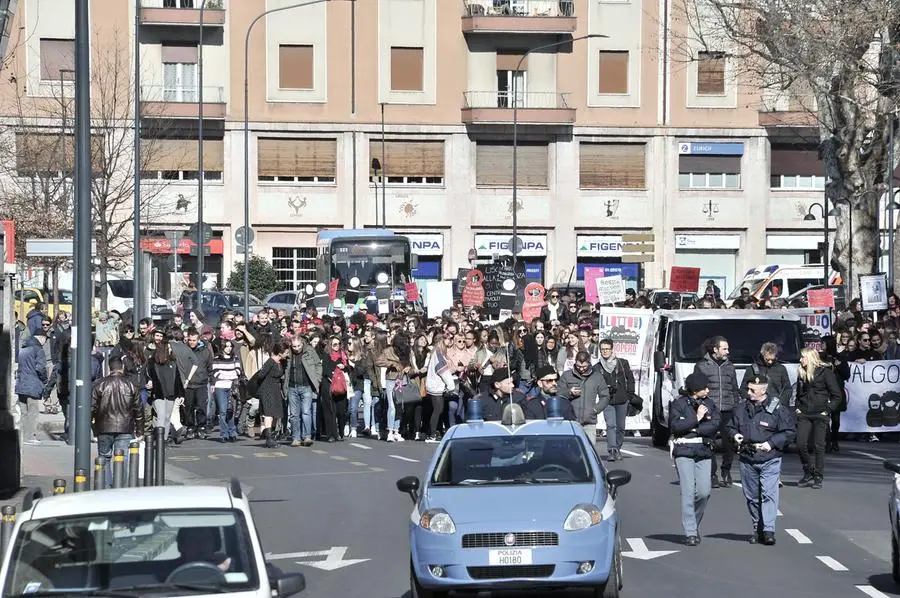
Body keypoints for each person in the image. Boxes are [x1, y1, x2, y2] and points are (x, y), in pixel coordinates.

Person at [727, 373, 796, 545]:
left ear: (763, 390)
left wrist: (772, 443)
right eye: (748, 389)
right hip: (747, 457)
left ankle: (768, 530)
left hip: (769, 457)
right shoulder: (741, 408)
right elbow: (729, 427)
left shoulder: (777, 409)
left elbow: (789, 432)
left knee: (768, 494)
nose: (749, 392)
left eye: (753, 390)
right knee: (752, 497)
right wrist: (735, 435)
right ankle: (757, 528)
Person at [669, 372, 720, 546]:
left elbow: (714, 425)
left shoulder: (710, 404)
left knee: (704, 491)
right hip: (684, 450)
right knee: (688, 491)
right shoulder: (679, 404)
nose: (708, 390)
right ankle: (690, 531)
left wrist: (695, 429)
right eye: (704, 387)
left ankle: (695, 523)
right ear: (695, 390)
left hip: (704, 449)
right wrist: (696, 418)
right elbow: (676, 426)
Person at [693, 336, 740, 487]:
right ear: (715, 350)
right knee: (709, 443)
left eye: (728, 348)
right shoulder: (701, 365)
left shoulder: (730, 366)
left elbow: (734, 389)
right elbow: (697, 388)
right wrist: (701, 406)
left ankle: (726, 472)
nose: (727, 351)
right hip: (710, 410)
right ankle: (712, 474)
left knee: (729, 444)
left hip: (727, 409)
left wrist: (736, 406)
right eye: (724, 349)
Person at [91, 356, 144, 488]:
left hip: (103, 427)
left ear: (109, 368)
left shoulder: (99, 384)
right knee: (123, 457)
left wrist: (92, 428)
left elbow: (92, 408)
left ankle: (105, 486)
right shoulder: (130, 384)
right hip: (125, 427)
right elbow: (138, 409)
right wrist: (140, 430)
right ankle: (120, 486)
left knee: (104, 457)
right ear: (122, 367)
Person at [795, 347, 842, 489]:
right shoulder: (802, 373)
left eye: (803, 357)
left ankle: (818, 476)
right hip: (804, 412)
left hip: (820, 413)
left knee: (818, 446)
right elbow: (798, 394)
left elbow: (837, 396)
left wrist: (827, 410)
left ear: (810, 358)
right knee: (800, 444)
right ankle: (808, 471)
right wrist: (797, 408)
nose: (800, 360)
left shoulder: (825, 373)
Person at [558, 351, 610, 448]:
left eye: (584, 366)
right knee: (570, 450)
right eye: (578, 366)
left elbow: (605, 396)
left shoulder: (597, 376)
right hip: (571, 421)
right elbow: (558, 394)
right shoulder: (566, 375)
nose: (581, 369)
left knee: (589, 450)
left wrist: (595, 410)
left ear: (589, 363)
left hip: (589, 421)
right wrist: (569, 392)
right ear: (575, 362)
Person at [595, 339, 635, 462]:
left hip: (622, 399)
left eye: (607, 349)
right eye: (602, 349)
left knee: (621, 427)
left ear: (612, 349)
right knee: (611, 425)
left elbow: (631, 379)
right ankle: (612, 450)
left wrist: (629, 395)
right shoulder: (597, 367)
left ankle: (618, 448)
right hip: (607, 401)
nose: (605, 351)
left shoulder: (622, 363)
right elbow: (595, 384)